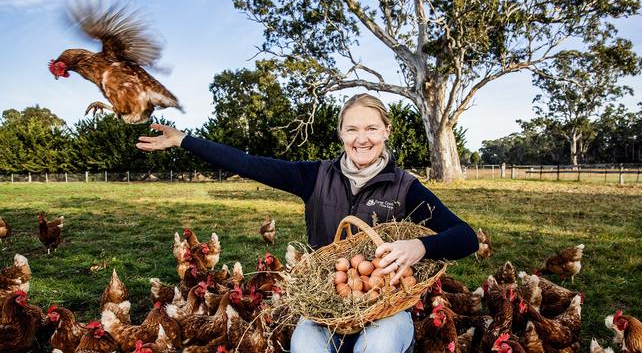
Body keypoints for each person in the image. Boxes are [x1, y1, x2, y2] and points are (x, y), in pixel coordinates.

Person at [137, 93, 478, 353]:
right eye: (352, 129)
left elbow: (466, 237)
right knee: (305, 344)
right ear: (341, 133)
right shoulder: (315, 176)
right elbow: (249, 163)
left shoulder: (405, 186)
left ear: (387, 131)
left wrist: (419, 246)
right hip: (324, 303)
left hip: (384, 306)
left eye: (372, 128)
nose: (362, 139)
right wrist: (184, 140)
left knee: (382, 342)